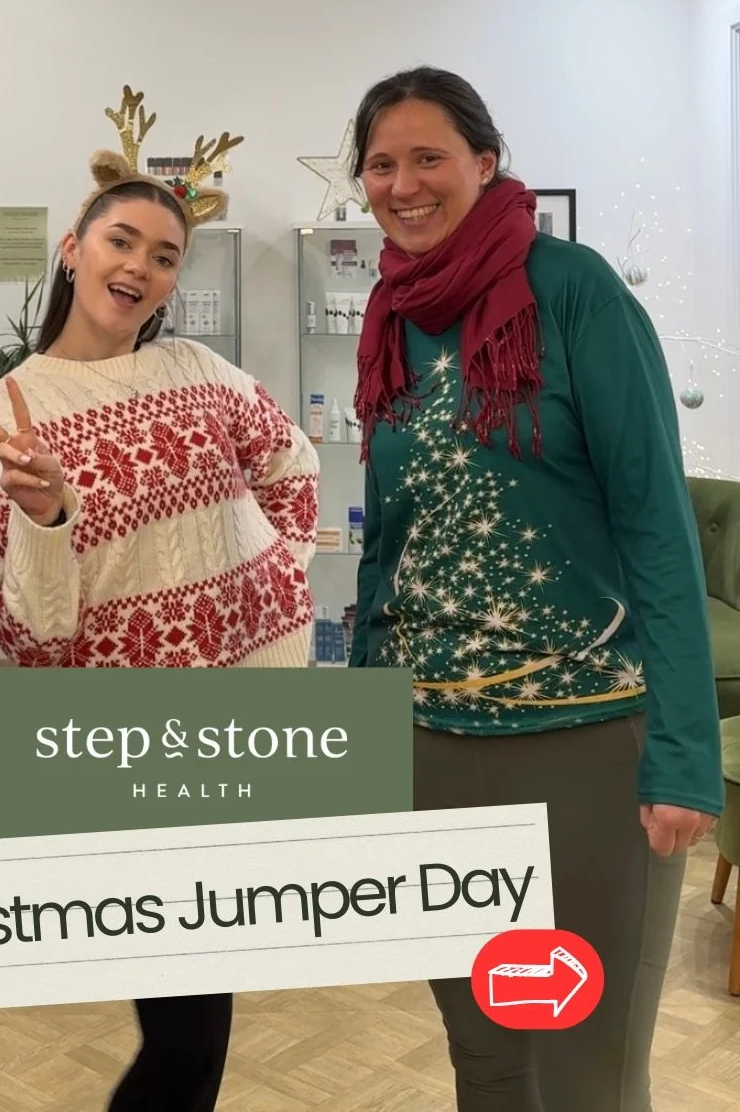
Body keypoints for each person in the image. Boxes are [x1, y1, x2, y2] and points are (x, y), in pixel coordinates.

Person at [347, 65, 724, 1111]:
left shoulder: (572, 288)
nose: (404, 183)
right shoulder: (390, 310)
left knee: (583, 1072)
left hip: (588, 743)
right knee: (488, 1055)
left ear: (485, 162)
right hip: (430, 742)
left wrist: (687, 754)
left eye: (429, 158)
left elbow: (656, 521)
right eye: (382, 164)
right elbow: (392, 542)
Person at [0, 88, 320, 1112]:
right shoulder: (9, 408)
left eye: (165, 256)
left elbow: (292, 465)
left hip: (240, 721)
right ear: (73, 248)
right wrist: (40, 519)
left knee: (199, 1009)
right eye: (123, 241)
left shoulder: (199, 366)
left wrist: (278, 585)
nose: (141, 268)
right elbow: (26, 627)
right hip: (118, 743)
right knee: (183, 1019)